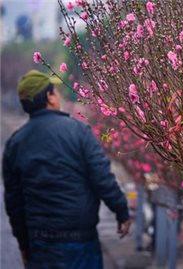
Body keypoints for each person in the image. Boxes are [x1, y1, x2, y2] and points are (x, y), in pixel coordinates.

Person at [2, 70, 131, 269]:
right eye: (56, 91)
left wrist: (24, 245)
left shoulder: (15, 144)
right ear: (49, 97)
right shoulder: (78, 132)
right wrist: (121, 211)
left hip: (40, 242)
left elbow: (14, 202)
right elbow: (102, 177)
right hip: (80, 239)